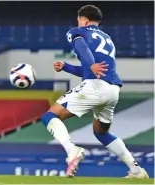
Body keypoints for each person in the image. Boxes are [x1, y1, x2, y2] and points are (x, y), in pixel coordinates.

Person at [43, 5, 149, 178]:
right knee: (101, 133)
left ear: (83, 20)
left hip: (95, 87)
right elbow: (90, 69)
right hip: (113, 90)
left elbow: (83, 50)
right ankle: (136, 170)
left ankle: (72, 151)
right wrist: (66, 67)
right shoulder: (106, 38)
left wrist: (90, 63)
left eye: (79, 20)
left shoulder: (78, 32)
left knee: (49, 116)